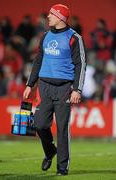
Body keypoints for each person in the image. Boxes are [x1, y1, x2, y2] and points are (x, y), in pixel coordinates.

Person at [23, 4, 87, 175]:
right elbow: (38, 61)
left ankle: (62, 168)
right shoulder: (45, 36)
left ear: (60, 17)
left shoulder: (74, 38)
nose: (48, 17)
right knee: (39, 124)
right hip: (44, 86)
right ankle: (50, 151)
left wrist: (77, 90)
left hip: (64, 88)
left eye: (51, 14)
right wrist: (30, 84)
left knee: (62, 128)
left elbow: (81, 65)